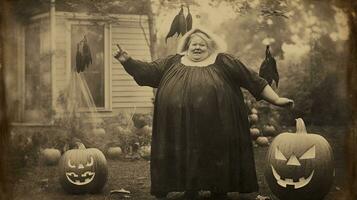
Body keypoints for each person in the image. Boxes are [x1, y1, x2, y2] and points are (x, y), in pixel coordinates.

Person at [114, 28, 293, 200]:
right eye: (194, 44)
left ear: (211, 47)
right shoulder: (172, 62)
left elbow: (252, 79)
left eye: (202, 45)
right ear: (187, 45)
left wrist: (276, 100)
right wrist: (128, 61)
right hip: (179, 125)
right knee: (185, 152)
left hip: (219, 123)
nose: (197, 47)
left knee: (217, 153)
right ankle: (189, 189)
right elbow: (148, 72)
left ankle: (219, 189)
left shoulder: (224, 61)